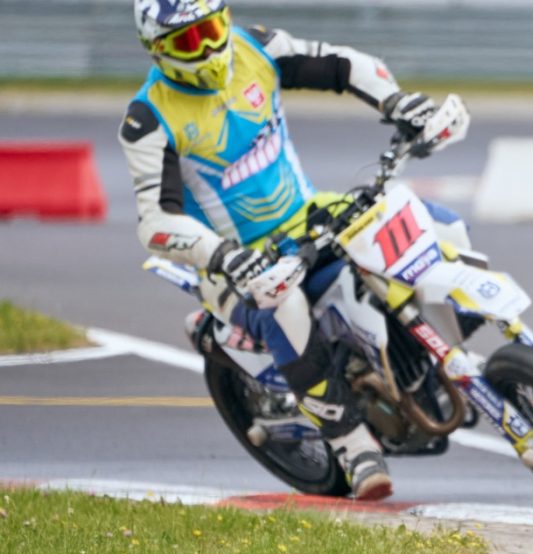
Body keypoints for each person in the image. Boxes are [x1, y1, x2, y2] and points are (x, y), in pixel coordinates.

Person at [119, 0, 474, 501]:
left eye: (214, 28)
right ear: (158, 50)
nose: (210, 47)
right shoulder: (148, 119)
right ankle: (352, 444)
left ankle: (453, 363)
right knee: (283, 306)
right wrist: (225, 257)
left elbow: (343, 64)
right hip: (234, 262)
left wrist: (396, 102)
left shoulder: (256, 48)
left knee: (440, 227)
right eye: (189, 40)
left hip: (308, 213)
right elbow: (155, 221)